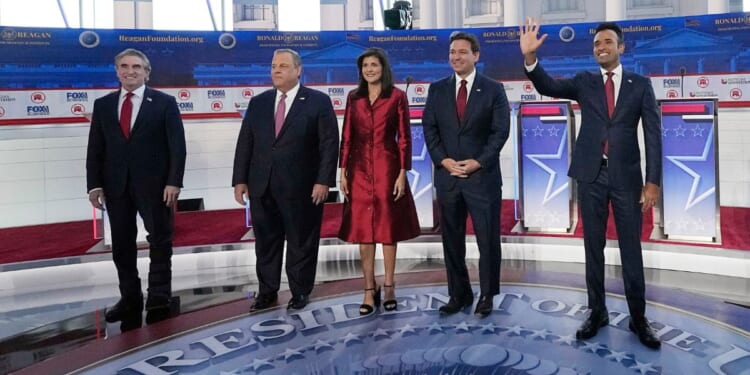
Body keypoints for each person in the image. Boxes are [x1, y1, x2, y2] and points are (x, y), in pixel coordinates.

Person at [520, 19, 662, 349]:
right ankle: (597, 312)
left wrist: (652, 181)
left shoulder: (640, 84)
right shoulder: (584, 81)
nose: (601, 47)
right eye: (597, 43)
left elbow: (653, 136)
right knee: (592, 248)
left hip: (627, 178)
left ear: (621, 47)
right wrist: (530, 59)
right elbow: (548, 87)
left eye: (608, 42)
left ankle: (638, 318)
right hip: (591, 175)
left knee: (631, 250)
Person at [86, 48, 186, 331]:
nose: (130, 71)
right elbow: (96, 149)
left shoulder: (164, 103)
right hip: (115, 187)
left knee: (160, 240)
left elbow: (177, 147)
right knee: (122, 245)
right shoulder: (104, 105)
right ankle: (130, 298)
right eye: (125, 66)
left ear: (146, 72)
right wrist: (94, 185)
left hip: (156, 187)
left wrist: (174, 182)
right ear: (117, 71)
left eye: (136, 67)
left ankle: (158, 297)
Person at [232, 48, 339, 312]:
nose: (276, 70)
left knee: (301, 242)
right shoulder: (259, 103)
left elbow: (329, 144)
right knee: (266, 243)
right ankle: (267, 292)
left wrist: (323, 180)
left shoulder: (317, 101)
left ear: (298, 70)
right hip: (262, 185)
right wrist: (239, 180)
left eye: (282, 66)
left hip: (303, 187)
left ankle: (300, 291)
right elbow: (245, 143)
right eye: (273, 66)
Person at [422, 31, 510, 318]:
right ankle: (458, 293)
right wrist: (443, 161)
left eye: (462, 52)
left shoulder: (493, 89)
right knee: (452, 241)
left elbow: (500, 132)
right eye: (452, 52)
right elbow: (430, 130)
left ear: (476, 55)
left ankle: (487, 294)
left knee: (487, 240)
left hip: (481, 178)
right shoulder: (436, 89)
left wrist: (478, 162)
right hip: (448, 178)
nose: (456, 57)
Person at [338, 47, 421, 315]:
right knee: (363, 230)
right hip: (359, 169)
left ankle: (389, 286)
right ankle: (367, 288)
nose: (370, 69)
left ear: (383, 68)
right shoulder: (354, 97)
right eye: (365, 66)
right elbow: (347, 136)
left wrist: (402, 173)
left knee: (387, 229)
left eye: (374, 65)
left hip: (387, 167)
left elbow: (405, 138)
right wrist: (342, 171)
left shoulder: (396, 96)